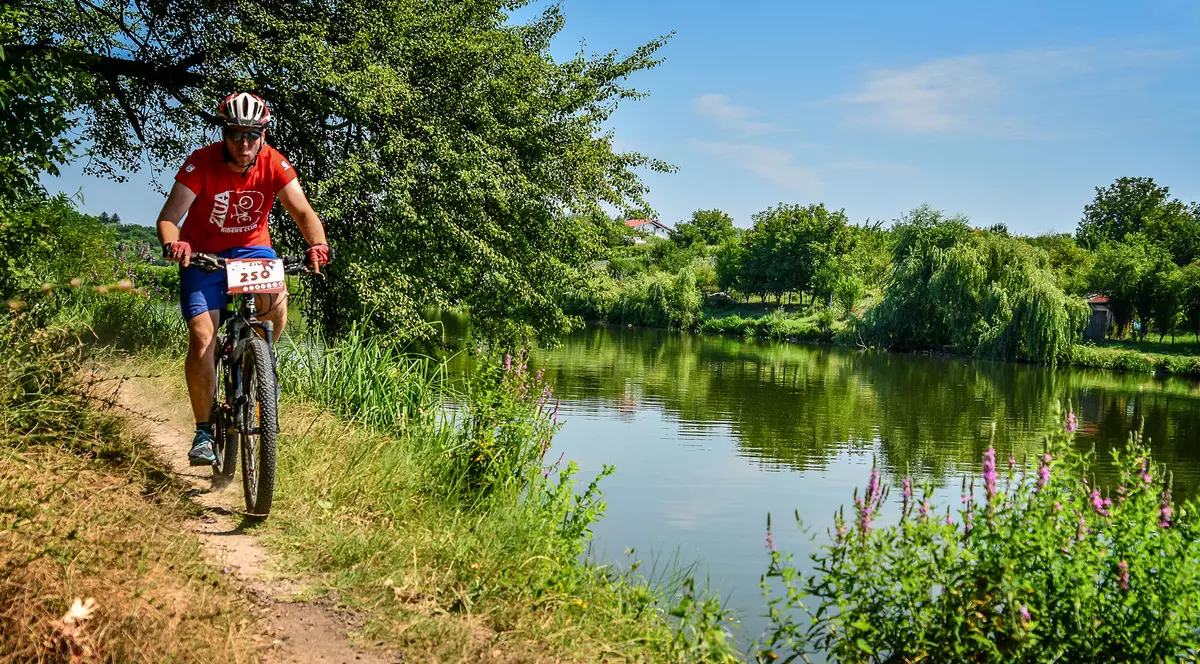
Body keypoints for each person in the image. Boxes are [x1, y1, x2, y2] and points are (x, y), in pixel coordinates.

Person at [155, 92, 330, 466]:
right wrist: (176, 244)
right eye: (235, 134)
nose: (243, 143)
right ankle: (204, 431)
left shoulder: (274, 162)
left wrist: (318, 245)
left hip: (253, 251)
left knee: (277, 302)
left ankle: (260, 367)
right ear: (224, 133)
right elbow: (169, 218)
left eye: (252, 134)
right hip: (203, 255)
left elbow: (303, 212)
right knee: (203, 336)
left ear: (262, 134)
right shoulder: (201, 162)